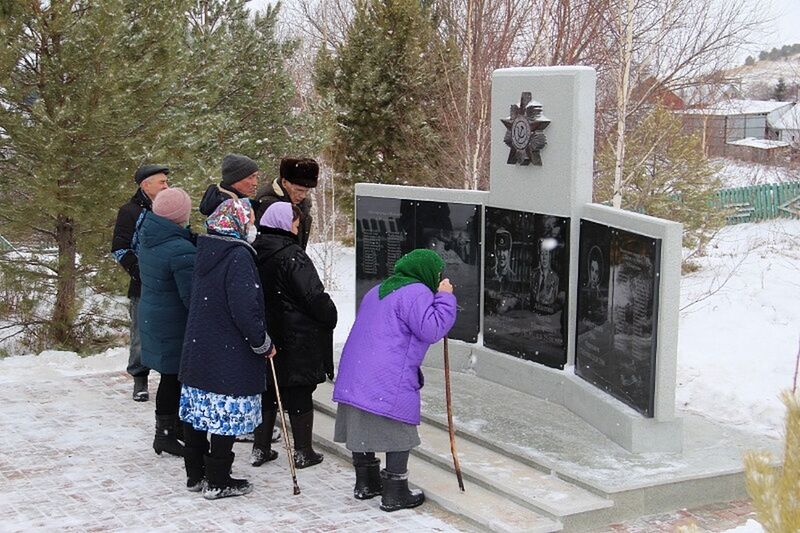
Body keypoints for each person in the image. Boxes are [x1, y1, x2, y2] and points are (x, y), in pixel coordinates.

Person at [333, 249, 456, 512]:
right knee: (399, 429)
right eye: (437, 274)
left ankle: (366, 483)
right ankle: (395, 492)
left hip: (357, 370)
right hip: (386, 374)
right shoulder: (416, 292)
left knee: (361, 424)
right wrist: (445, 298)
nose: (439, 279)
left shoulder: (379, 290)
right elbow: (432, 328)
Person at [178, 199, 275, 500]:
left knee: (198, 414)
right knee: (224, 414)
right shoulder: (238, 257)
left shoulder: (206, 249)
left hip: (200, 348)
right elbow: (246, 308)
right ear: (237, 223)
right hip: (228, 351)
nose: (252, 228)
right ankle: (218, 480)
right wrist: (262, 342)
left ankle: (195, 475)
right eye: (250, 222)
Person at [251, 202, 337, 469]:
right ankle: (303, 451)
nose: (298, 229)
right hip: (296, 334)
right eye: (296, 224)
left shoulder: (254, 250)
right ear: (284, 223)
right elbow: (312, 295)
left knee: (269, 390)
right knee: (299, 390)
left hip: (267, 331)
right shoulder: (292, 255)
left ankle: (260, 447)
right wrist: (329, 313)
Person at [137, 188, 197, 457]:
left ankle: (173, 429)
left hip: (155, 315)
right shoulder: (180, 249)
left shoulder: (149, 237)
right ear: (180, 215)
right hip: (174, 321)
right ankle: (165, 435)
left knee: (171, 377)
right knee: (174, 378)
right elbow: (191, 296)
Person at [111, 164, 170, 401]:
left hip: (169, 282)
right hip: (143, 284)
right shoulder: (130, 211)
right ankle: (139, 379)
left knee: (170, 333)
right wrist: (142, 271)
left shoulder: (169, 208)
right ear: (146, 185)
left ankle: (170, 378)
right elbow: (119, 248)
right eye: (162, 182)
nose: (167, 186)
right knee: (140, 334)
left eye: (167, 182)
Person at [255, 157, 318, 250]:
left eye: (306, 191)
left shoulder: (303, 204)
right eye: (299, 190)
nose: (303, 196)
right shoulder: (268, 205)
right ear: (284, 182)